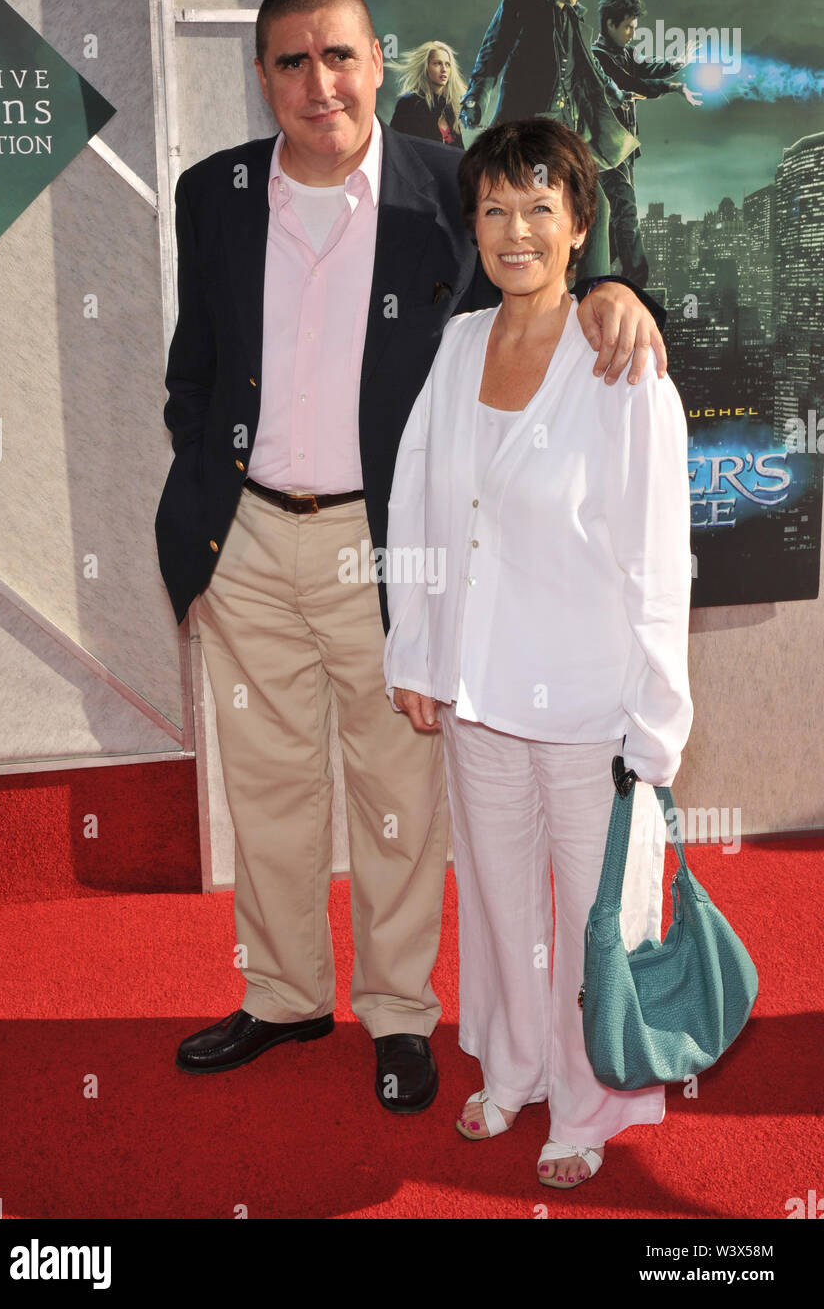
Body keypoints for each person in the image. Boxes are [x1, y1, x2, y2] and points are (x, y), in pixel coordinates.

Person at [154, 0, 669, 1116]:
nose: (318, 82)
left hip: (386, 549)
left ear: (380, 61)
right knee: (271, 788)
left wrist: (617, 289)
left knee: (396, 794)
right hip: (246, 543)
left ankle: (398, 1013)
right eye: (291, 61)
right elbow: (195, 367)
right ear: (265, 79)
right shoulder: (214, 192)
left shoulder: (451, 186)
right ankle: (285, 993)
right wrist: (204, 490)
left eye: (338, 55)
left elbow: (545, 254)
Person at [384, 117, 692, 1185]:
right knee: (502, 902)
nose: (515, 230)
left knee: (589, 918)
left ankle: (586, 1102)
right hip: (478, 693)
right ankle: (512, 1068)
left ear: (579, 226)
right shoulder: (461, 342)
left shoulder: (621, 359)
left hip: (588, 706)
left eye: (539, 209)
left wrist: (657, 726)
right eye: (495, 208)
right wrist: (418, 653)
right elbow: (423, 505)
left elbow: (660, 556)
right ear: (475, 223)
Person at [459, 0, 638, 279]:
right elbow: (490, 56)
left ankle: (591, 292)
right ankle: (492, 286)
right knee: (513, 206)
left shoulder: (574, 19)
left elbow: (589, 70)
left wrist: (613, 90)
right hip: (526, 131)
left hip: (566, 133)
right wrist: (474, 98)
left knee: (594, 206)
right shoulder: (519, 3)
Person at [592, 0, 702, 285]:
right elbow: (632, 83)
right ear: (610, 24)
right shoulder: (597, 57)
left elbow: (644, 68)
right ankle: (635, 283)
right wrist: (672, 87)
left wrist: (676, 67)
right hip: (606, 148)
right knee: (625, 212)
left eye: (634, 27)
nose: (633, 33)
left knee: (616, 216)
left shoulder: (624, 53)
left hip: (624, 148)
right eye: (627, 27)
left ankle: (588, 268)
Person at [389, 41, 465, 147]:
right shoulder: (409, 104)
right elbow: (395, 147)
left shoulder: (449, 109)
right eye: (437, 63)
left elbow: (460, 153)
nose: (444, 69)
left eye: (447, 64)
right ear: (425, 67)